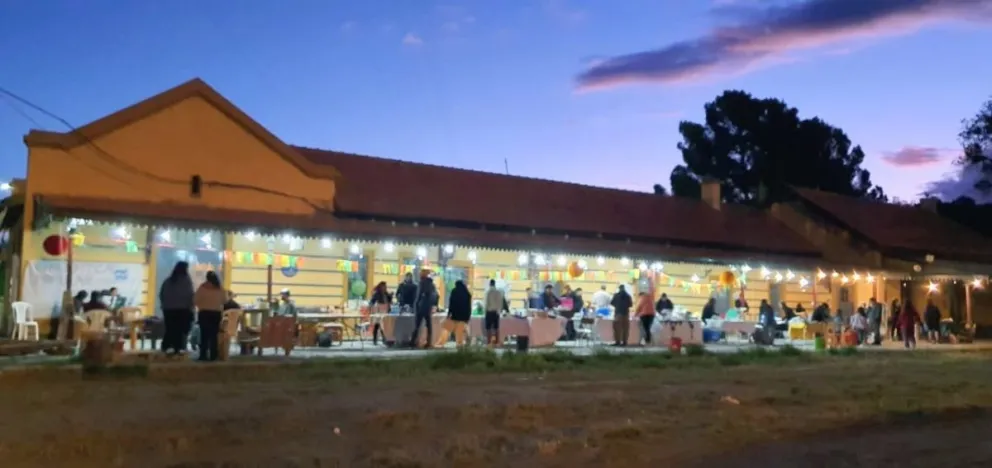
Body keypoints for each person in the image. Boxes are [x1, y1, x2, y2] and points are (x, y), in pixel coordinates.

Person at [159, 261, 195, 355]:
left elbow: (162, 294)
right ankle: (178, 347)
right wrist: (191, 307)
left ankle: (166, 346)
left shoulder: (168, 280)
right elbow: (190, 295)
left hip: (168, 309)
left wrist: (164, 305)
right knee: (180, 329)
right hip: (182, 309)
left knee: (170, 328)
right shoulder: (186, 280)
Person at [194, 271, 225, 361]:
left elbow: (195, 300)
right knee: (214, 335)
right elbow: (225, 300)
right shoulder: (219, 288)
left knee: (204, 335)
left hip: (204, 313)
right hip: (216, 314)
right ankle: (213, 355)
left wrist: (201, 305)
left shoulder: (202, 287)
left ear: (207, 278)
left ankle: (203, 355)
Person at [436, 280, 472, 348]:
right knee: (459, 331)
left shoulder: (454, 291)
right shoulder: (467, 293)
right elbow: (469, 307)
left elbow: (451, 304)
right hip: (463, 316)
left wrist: (449, 314)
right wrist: (468, 316)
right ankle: (459, 344)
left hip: (455, 315)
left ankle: (440, 343)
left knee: (446, 329)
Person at [410, 273, 438, 348]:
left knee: (417, 325)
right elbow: (436, 296)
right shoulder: (432, 285)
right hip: (428, 308)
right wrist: (434, 305)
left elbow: (418, 296)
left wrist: (415, 307)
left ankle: (413, 341)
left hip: (420, 307)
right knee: (429, 325)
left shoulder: (421, 284)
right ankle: (429, 342)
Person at [484, 279, 505, 347]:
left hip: (489, 312)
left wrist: (485, 311)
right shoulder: (498, 292)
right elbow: (500, 303)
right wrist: (499, 311)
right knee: (496, 328)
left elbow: (486, 303)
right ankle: (497, 342)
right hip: (496, 312)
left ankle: (489, 342)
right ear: (494, 284)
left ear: (490, 284)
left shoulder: (488, 292)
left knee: (488, 328)